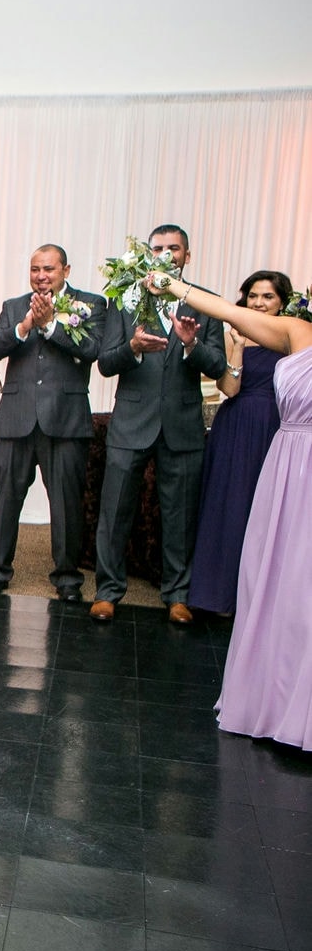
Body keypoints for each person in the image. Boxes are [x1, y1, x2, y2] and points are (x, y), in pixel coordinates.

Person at [143, 270, 312, 749]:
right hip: (286, 468)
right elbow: (226, 311)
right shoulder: (297, 331)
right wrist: (173, 286)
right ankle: (274, 699)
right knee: (274, 578)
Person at [90, 225, 226, 624]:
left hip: (182, 425)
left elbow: (217, 366)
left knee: (180, 514)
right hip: (132, 421)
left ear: (187, 255)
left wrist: (190, 345)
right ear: (148, 254)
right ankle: (107, 591)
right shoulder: (125, 301)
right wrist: (131, 348)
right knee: (115, 511)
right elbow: (105, 362)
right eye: (159, 249)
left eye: (174, 249)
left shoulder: (205, 304)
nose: (167, 254)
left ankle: (177, 594)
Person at [0, 244, 106, 601]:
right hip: (15, 418)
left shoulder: (92, 304)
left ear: (66, 270)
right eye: (35, 269)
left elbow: (93, 350)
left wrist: (51, 325)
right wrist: (25, 326)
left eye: (49, 269)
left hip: (65, 420)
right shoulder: (14, 306)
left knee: (66, 503)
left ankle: (67, 578)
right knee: (6, 498)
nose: (41, 276)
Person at [187, 271, 290, 615]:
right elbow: (228, 390)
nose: (259, 303)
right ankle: (217, 595)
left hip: (276, 429)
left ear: (282, 302)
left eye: (268, 297)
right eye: (253, 296)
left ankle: (258, 600)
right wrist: (241, 346)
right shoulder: (233, 333)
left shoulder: (291, 337)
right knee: (227, 504)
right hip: (236, 426)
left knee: (265, 511)